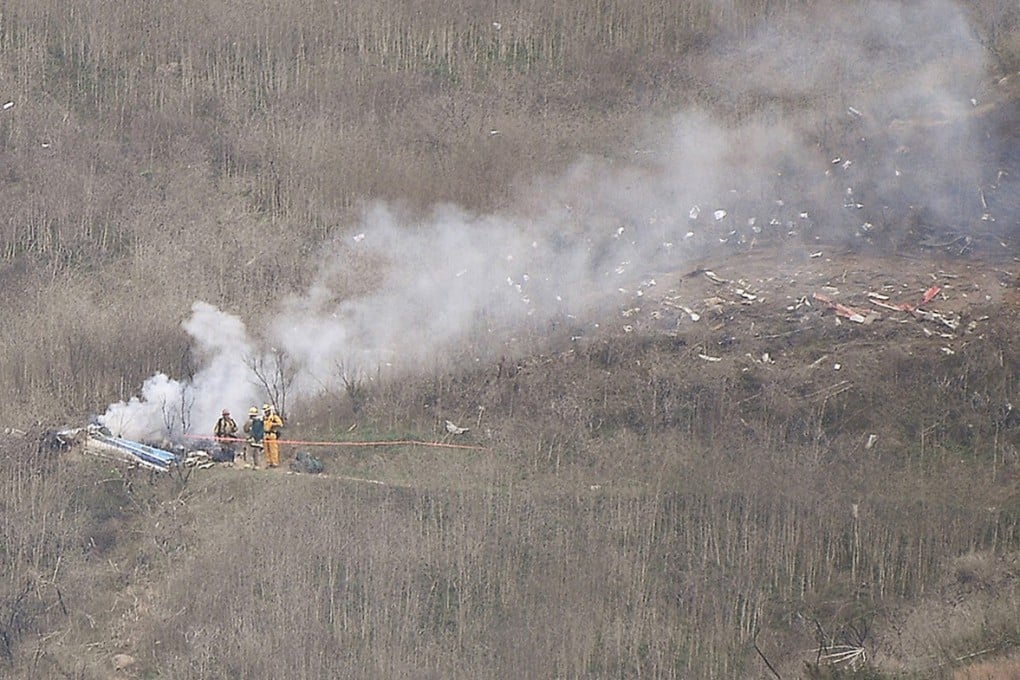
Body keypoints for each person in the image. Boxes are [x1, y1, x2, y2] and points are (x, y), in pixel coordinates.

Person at [262, 403, 284, 468]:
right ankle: (269, 463)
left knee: (273, 450)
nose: (266, 413)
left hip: (272, 434)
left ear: (269, 411)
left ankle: (275, 463)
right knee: (266, 450)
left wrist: (273, 424)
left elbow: (280, 424)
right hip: (265, 435)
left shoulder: (274, 417)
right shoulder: (264, 418)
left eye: (267, 411)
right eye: (265, 411)